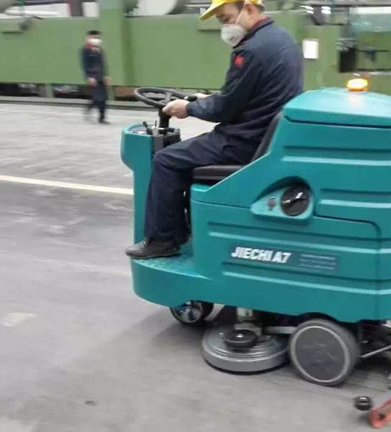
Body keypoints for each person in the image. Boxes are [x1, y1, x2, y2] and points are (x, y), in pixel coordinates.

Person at [125, 0, 303, 259]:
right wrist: (206, 99)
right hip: (265, 135)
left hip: (243, 140)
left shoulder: (250, 50)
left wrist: (188, 108)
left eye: (227, 19)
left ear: (249, 9)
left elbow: (223, 109)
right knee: (184, 155)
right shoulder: (283, 39)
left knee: (166, 160)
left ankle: (162, 240)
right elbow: (245, 94)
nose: (226, 27)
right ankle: (183, 229)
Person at [80, 30, 110, 124]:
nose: (96, 40)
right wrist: (89, 77)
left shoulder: (100, 50)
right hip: (93, 77)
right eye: (94, 38)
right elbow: (84, 65)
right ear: (88, 38)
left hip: (101, 76)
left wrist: (106, 75)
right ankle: (94, 111)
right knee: (99, 97)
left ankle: (101, 117)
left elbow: (103, 64)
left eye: (98, 38)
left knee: (103, 98)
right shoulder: (85, 50)